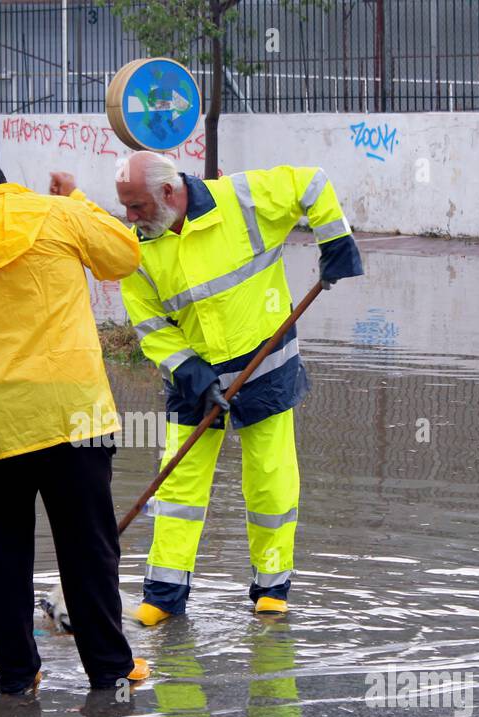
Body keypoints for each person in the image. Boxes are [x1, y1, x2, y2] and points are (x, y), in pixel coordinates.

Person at [53, 152, 363, 625]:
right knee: (178, 486)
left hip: (264, 365)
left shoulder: (241, 198)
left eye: (137, 207)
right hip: (192, 378)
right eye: (125, 207)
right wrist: (192, 372)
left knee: (270, 477)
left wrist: (335, 238)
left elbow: (312, 183)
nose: (130, 219)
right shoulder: (139, 248)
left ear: (170, 193)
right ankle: (163, 594)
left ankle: (271, 588)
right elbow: (151, 325)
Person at [0, 149, 149, 693]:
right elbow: (124, 256)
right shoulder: (56, 214)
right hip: (71, 414)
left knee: (1, 557)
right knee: (88, 548)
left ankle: (17, 674)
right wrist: (78, 200)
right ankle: (110, 669)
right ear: (1, 182)